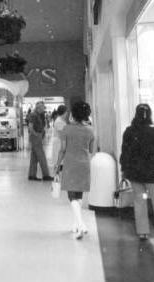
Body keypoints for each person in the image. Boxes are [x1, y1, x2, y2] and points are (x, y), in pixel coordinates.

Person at [119, 104, 154, 246]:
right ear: (149, 115)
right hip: (152, 175)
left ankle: (143, 232)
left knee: (139, 201)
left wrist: (124, 171)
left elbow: (124, 153)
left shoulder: (129, 131)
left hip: (135, 175)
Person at [54, 101, 95, 239]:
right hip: (84, 164)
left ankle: (80, 225)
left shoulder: (67, 129)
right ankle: (77, 224)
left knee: (72, 197)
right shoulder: (90, 130)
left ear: (73, 114)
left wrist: (57, 164)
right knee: (79, 195)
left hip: (71, 164)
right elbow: (91, 150)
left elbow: (63, 150)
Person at [28, 101, 53, 181]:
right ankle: (46, 175)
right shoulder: (33, 115)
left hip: (38, 136)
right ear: (38, 107)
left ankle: (32, 175)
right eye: (43, 107)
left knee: (34, 157)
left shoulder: (40, 115)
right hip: (36, 137)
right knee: (41, 156)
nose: (44, 108)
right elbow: (30, 127)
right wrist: (36, 135)